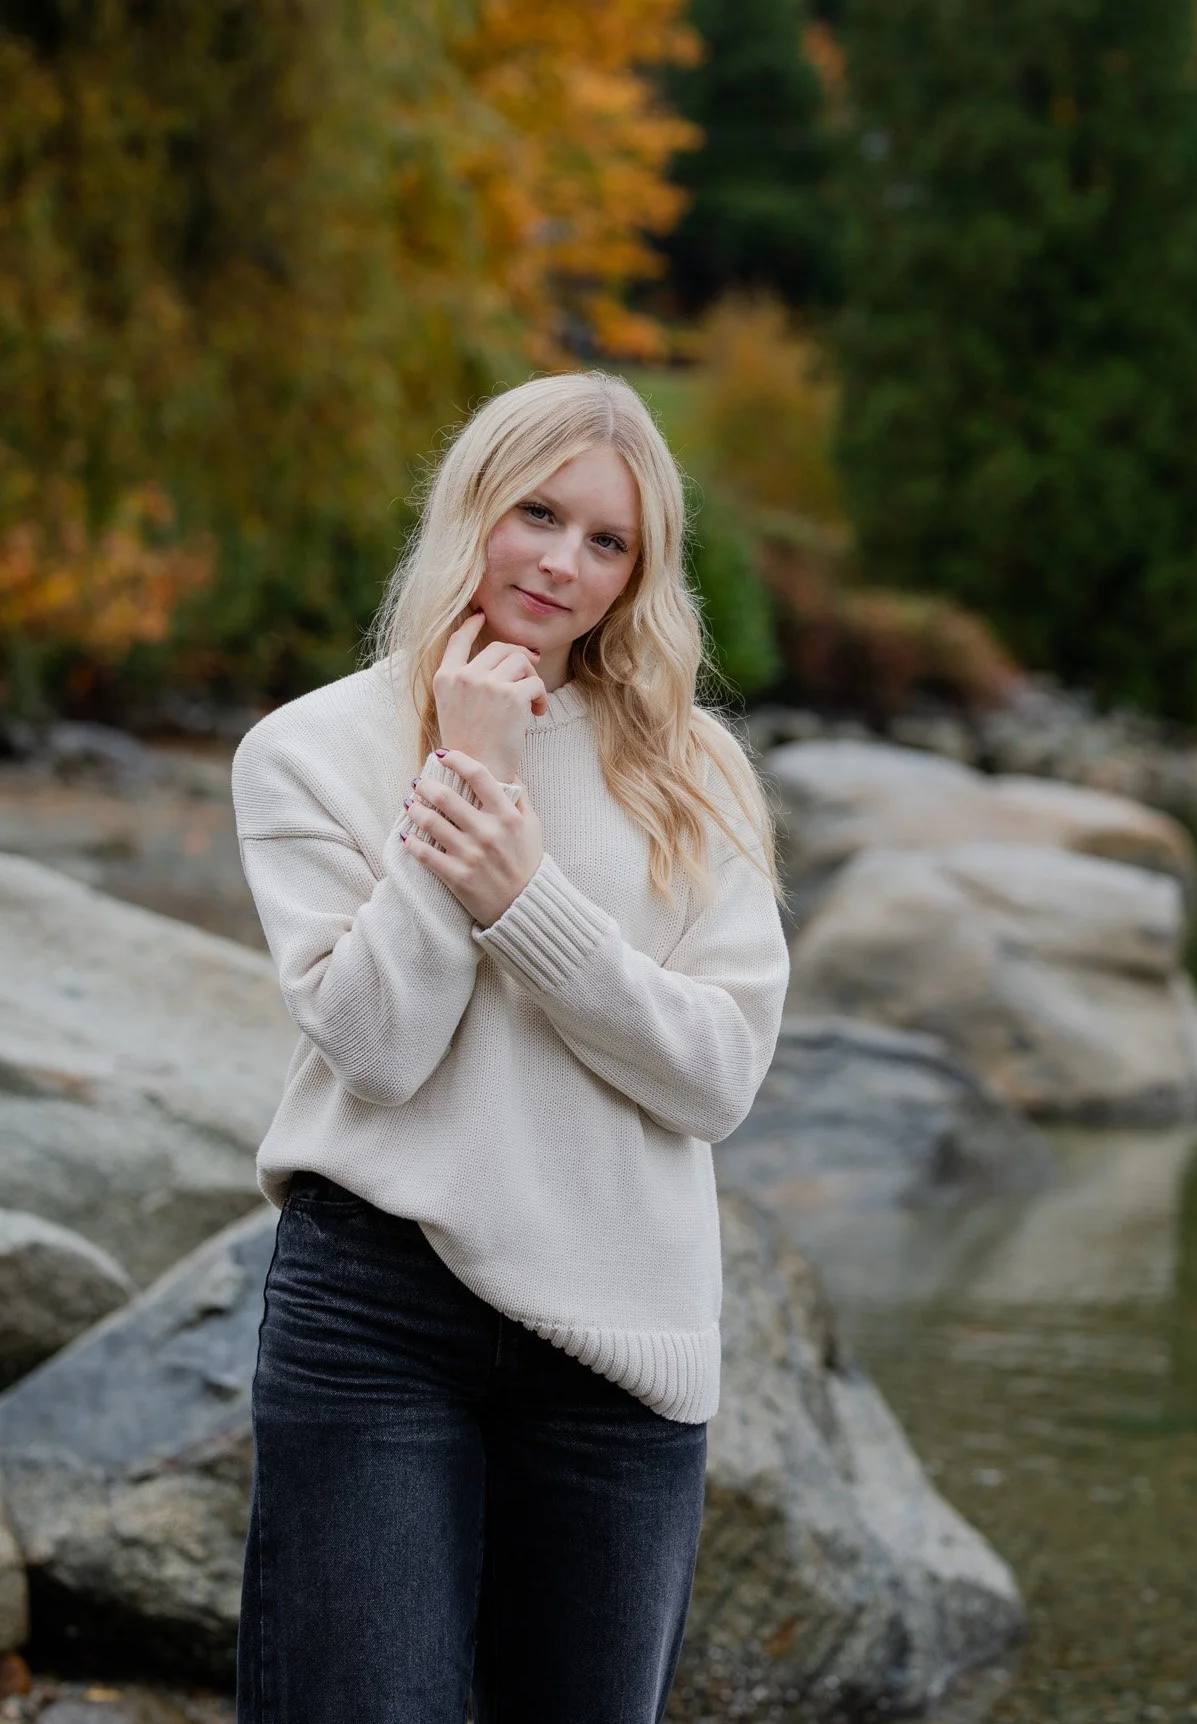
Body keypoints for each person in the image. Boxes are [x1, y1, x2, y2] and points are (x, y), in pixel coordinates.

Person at [230, 370, 791, 1723]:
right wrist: (467, 777)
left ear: (642, 570)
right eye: (538, 513)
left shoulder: (692, 768)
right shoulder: (310, 753)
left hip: (621, 1331)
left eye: (610, 541)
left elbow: (716, 1076)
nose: (564, 562)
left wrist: (523, 904)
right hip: (379, 1315)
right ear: (470, 505)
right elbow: (377, 1046)